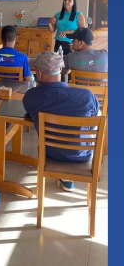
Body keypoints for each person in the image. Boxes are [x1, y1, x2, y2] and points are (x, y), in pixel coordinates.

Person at [22, 51, 100, 192]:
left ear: (39, 73)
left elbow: (31, 109)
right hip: (82, 155)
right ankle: (67, 179)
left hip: (50, 153)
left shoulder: (31, 97)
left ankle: (64, 177)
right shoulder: (86, 96)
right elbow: (94, 118)